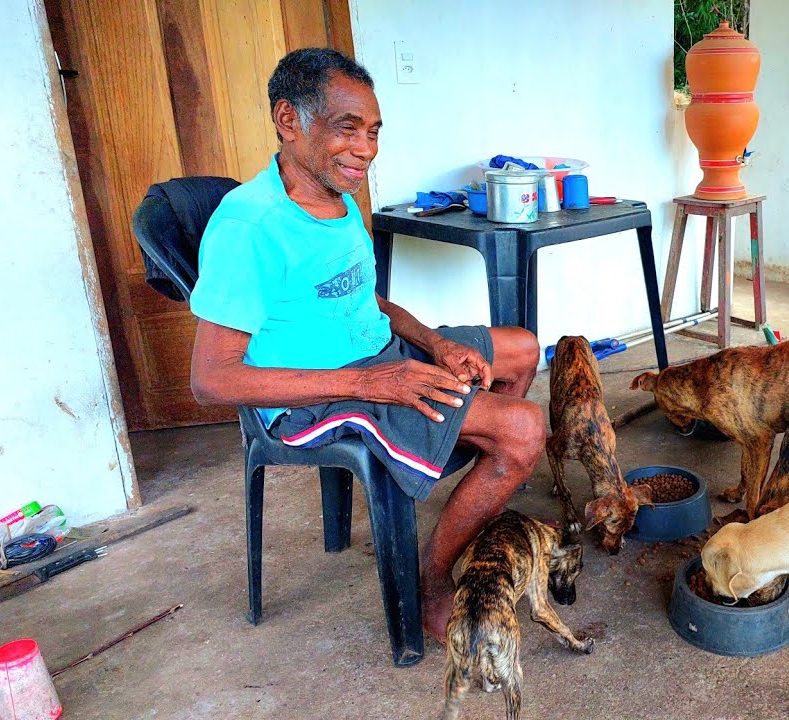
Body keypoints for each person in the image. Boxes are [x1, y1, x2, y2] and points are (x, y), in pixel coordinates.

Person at [188, 47, 544, 640]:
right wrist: (370, 382)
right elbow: (212, 380)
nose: (367, 150)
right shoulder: (248, 227)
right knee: (524, 428)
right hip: (314, 396)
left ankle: (480, 486)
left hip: (375, 359)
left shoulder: (338, 195)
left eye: (374, 132)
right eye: (347, 129)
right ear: (289, 120)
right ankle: (429, 575)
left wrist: (433, 342)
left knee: (522, 349)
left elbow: (364, 300)